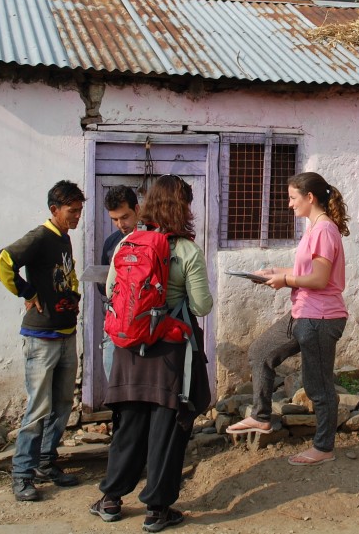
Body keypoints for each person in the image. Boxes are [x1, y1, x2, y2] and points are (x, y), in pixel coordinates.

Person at [90, 174, 213, 530]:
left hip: (130, 350)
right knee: (166, 427)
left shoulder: (128, 242)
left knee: (129, 425)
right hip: (170, 352)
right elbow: (202, 306)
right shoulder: (187, 250)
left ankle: (111, 499)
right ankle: (156, 510)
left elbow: (112, 291)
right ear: (183, 207)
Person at [225, 172, 350, 467]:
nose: (290, 204)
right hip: (303, 313)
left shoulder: (324, 231)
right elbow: (308, 270)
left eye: (293, 198)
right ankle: (261, 417)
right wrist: (275, 272)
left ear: (310, 198)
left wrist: (286, 280)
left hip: (320, 317)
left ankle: (323, 447)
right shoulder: (314, 228)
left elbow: (319, 279)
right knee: (261, 352)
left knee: (318, 385)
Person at [0, 180, 86, 502]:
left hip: (65, 334)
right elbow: (0, 260)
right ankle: (22, 474)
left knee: (61, 405)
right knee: (38, 409)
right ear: (54, 210)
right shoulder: (40, 237)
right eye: (72, 211)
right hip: (41, 337)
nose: (77, 216)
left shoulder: (63, 239)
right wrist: (27, 292)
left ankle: (47, 463)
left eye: (79, 210)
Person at [98, 185, 141, 380]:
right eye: (114, 219)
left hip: (144, 324)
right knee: (114, 382)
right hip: (116, 322)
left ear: (137, 210)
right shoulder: (111, 243)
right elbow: (103, 287)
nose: (120, 224)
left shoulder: (153, 239)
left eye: (124, 217)